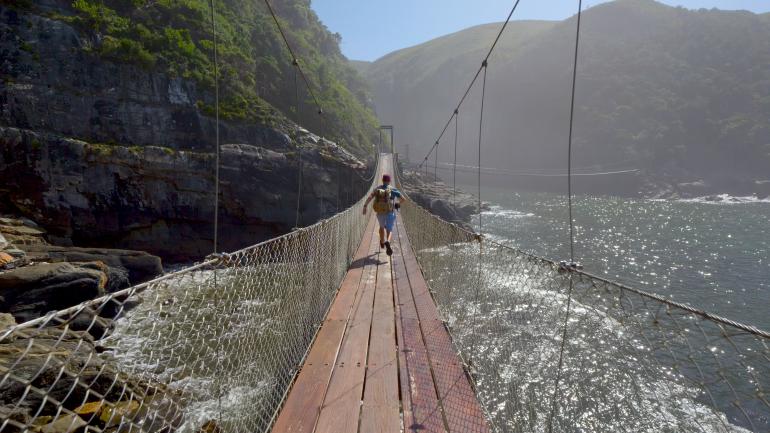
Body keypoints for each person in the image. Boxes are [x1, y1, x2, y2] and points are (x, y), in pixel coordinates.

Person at [363, 174, 403, 256]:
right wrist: (397, 204)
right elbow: (403, 199)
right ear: (389, 181)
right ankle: (387, 241)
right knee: (389, 229)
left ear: (382, 180)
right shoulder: (392, 189)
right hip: (390, 212)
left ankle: (382, 241)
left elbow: (370, 197)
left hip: (380, 213)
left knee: (381, 227)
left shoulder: (377, 189)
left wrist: (365, 206)